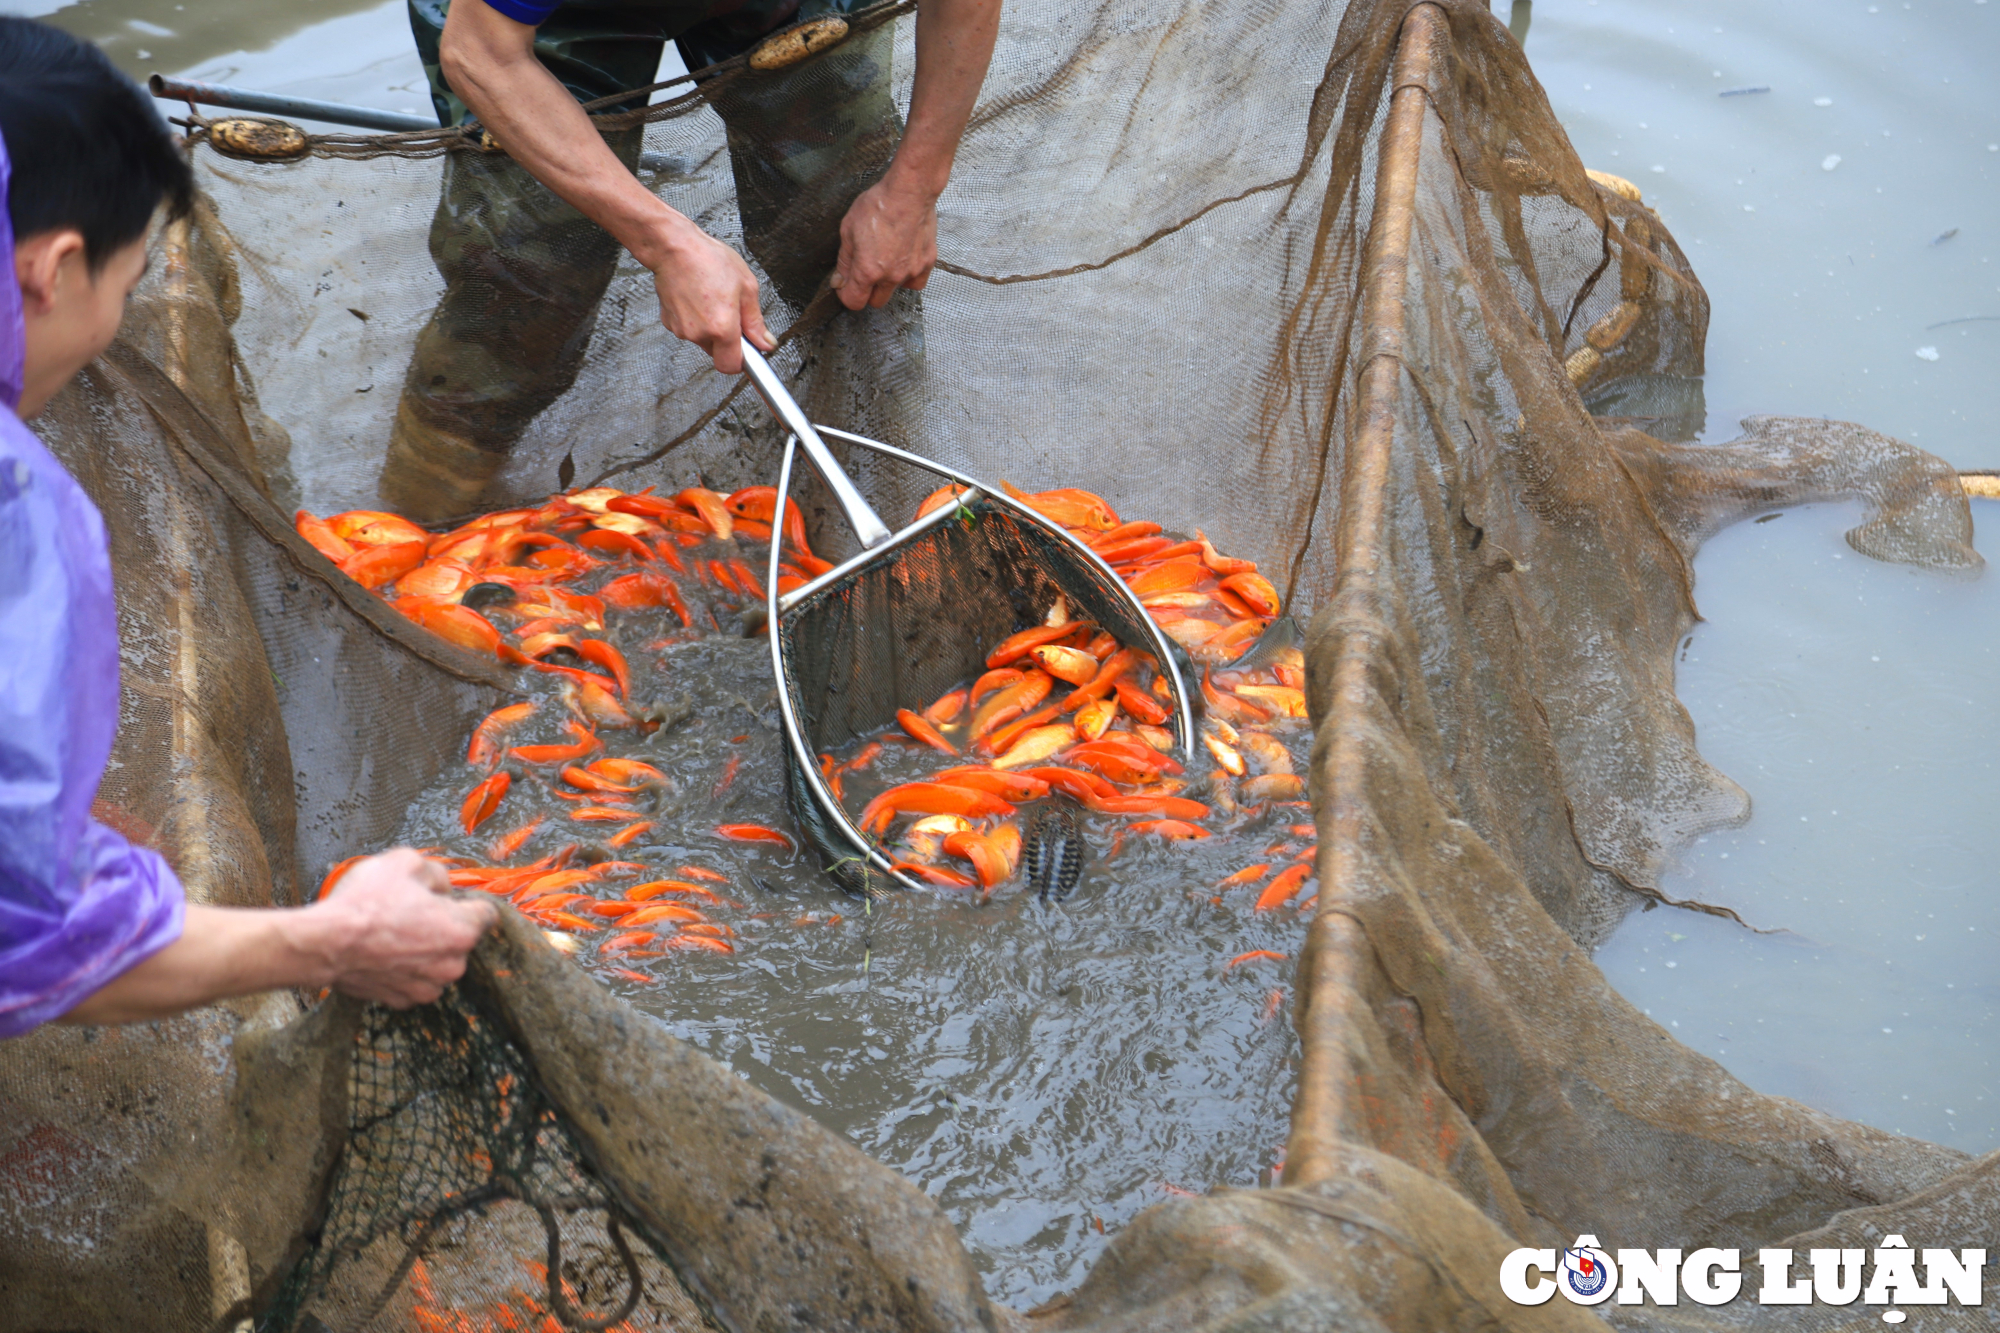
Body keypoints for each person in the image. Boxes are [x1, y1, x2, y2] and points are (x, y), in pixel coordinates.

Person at [0, 17, 494, 1037]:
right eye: (126, 289)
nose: (111, 329)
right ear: (51, 270)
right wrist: (332, 938)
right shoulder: (24, 522)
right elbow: (36, 944)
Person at [379, 0, 1001, 521]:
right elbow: (481, 51)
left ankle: (889, 502)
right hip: (544, 22)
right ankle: (415, 539)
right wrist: (664, 240)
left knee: (860, 255)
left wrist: (913, 191)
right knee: (524, 289)